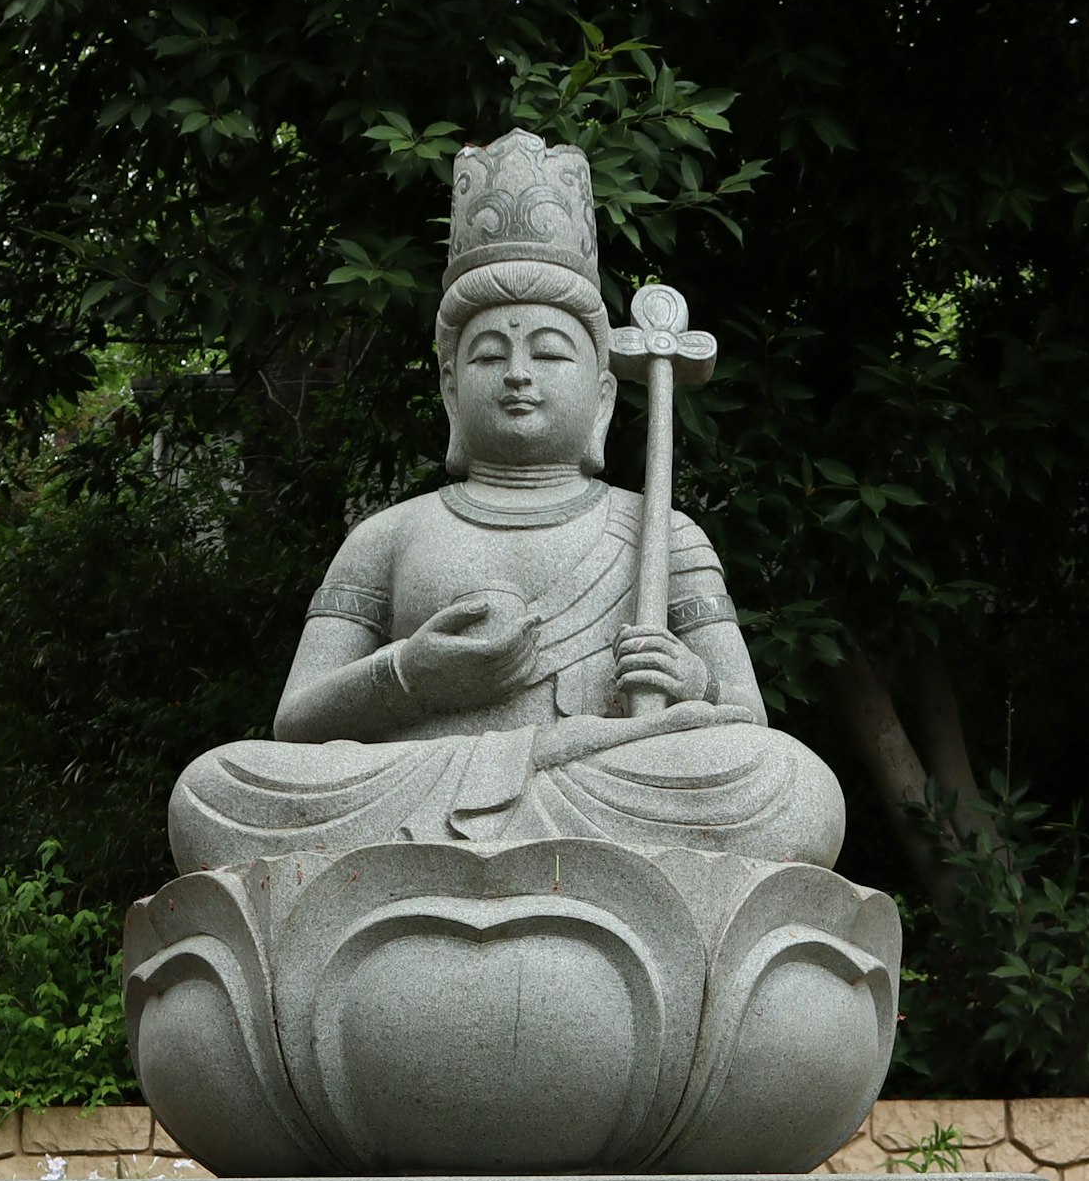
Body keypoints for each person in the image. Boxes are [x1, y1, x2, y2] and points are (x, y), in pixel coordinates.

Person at [167, 131, 847, 874]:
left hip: (598, 779)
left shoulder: (659, 531)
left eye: (550, 353)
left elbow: (745, 716)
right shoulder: (390, 533)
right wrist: (414, 674)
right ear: (451, 389)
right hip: (415, 780)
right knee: (215, 789)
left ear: (603, 393)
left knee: (785, 782)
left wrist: (691, 683)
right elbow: (295, 722)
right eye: (490, 355)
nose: (519, 374)